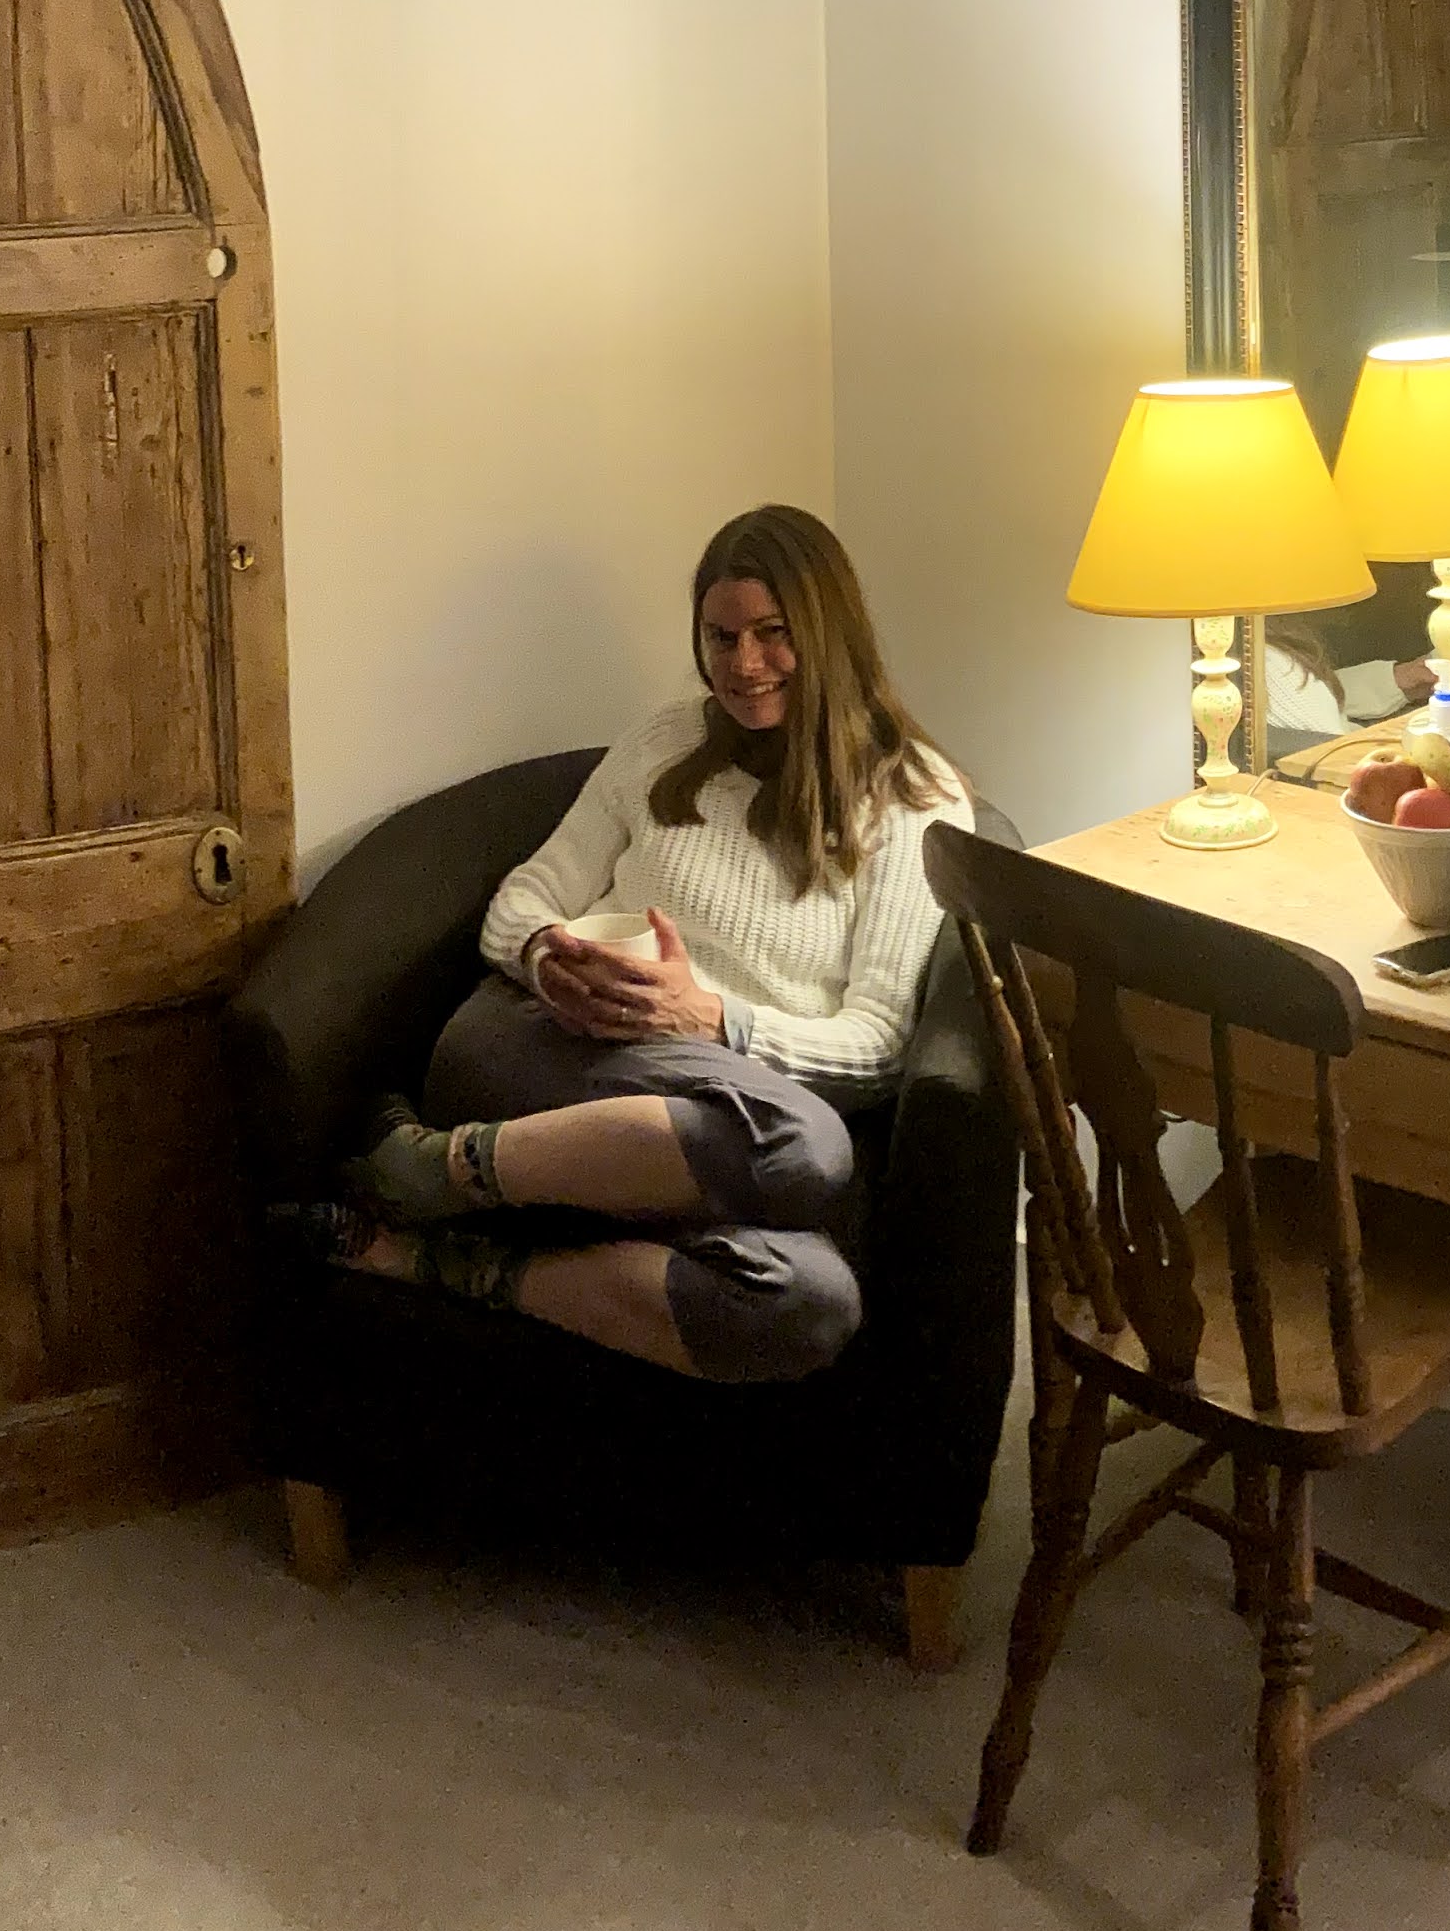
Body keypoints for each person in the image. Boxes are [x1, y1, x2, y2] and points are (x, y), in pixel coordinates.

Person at [299, 504, 979, 1382]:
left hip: (720, 1128)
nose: (742, 665)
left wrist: (708, 1019)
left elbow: (878, 1045)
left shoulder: (913, 799)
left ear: (830, 632)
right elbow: (523, 900)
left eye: (772, 634)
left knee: (809, 1292)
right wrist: (547, 959)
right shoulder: (667, 740)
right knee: (802, 1148)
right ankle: (446, 1169)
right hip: (534, 1049)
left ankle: (440, 1222)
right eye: (721, 637)